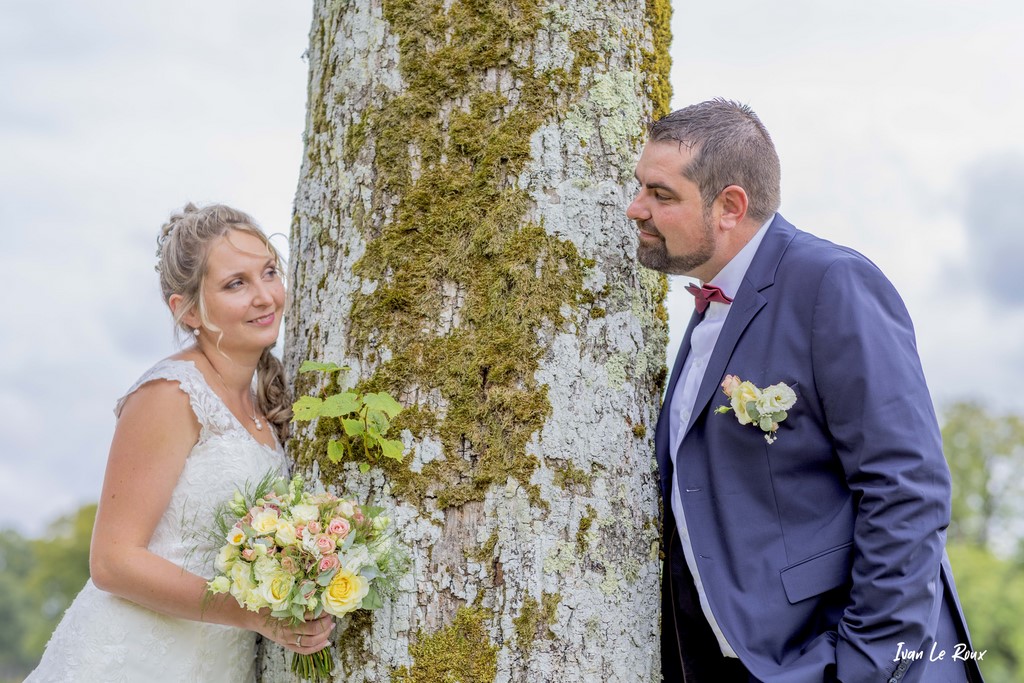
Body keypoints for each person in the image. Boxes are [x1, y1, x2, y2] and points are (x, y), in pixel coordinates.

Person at [628, 100, 983, 683]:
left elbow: (906, 488)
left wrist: (864, 668)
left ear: (730, 206)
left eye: (661, 195)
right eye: (641, 187)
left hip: (837, 660)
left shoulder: (831, 283)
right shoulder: (709, 308)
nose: (635, 208)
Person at [27, 204, 334, 681]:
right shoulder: (170, 394)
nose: (265, 296)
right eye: (236, 284)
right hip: (133, 659)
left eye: (269, 273)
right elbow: (112, 561)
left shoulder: (262, 406)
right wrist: (253, 616)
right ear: (187, 310)